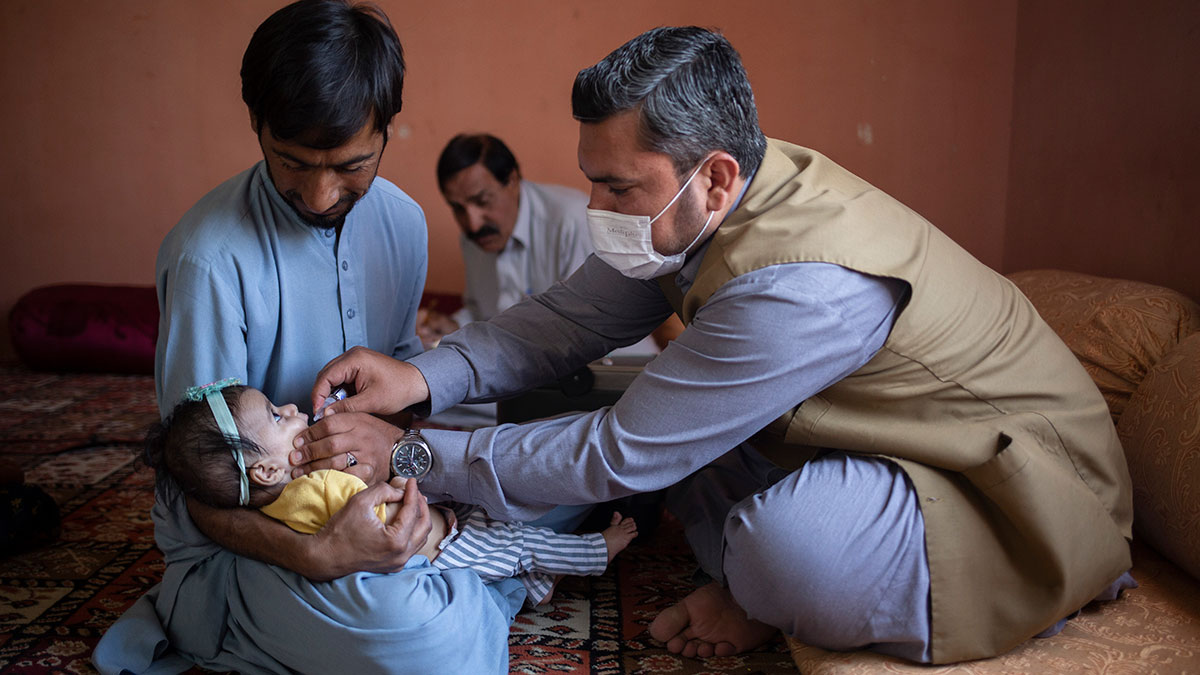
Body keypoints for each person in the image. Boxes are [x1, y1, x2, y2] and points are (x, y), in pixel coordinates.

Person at [296, 26, 1135, 666]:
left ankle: (757, 589)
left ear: (717, 176)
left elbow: (616, 452)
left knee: (773, 544)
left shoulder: (801, 283)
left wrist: (411, 455)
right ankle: (750, 568)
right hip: (894, 441)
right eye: (593, 176)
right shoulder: (702, 206)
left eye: (617, 185)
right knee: (672, 436)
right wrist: (418, 376)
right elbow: (567, 319)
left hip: (1014, 487)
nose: (596, 205)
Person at [94, 2, 526, 673]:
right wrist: (318, 553)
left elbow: (402, 423)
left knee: (535, 464)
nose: (321, 195)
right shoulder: (210, 257)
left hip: (369, 493)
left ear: (387, 129)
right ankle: (468, 578)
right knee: (429, 648)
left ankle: (455, 563)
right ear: (256, 126)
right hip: (256, 544)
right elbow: (199, 482)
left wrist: (412, 476)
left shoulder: (404, 224)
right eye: (292, 162)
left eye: (351, 166)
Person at [144, 379, 638, 606]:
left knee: (509, 538)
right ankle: (596, 551)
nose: (292, 407)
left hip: (443, 528)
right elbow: (386, 492)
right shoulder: (324, 485)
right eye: (277, 416)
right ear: (269, 470)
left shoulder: (279, 505)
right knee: (520, 541)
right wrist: (400, 461)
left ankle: (532, 587)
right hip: (448, 547)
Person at [418, 132, 682, 353]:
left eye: (482, 201)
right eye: (457, 208)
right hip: (523, 364)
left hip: (603, 368)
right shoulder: (473, 237)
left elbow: (579, 330)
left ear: (512, 180)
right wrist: (453, 324)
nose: (473, 223)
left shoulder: (569, 220)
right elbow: (482, 311)